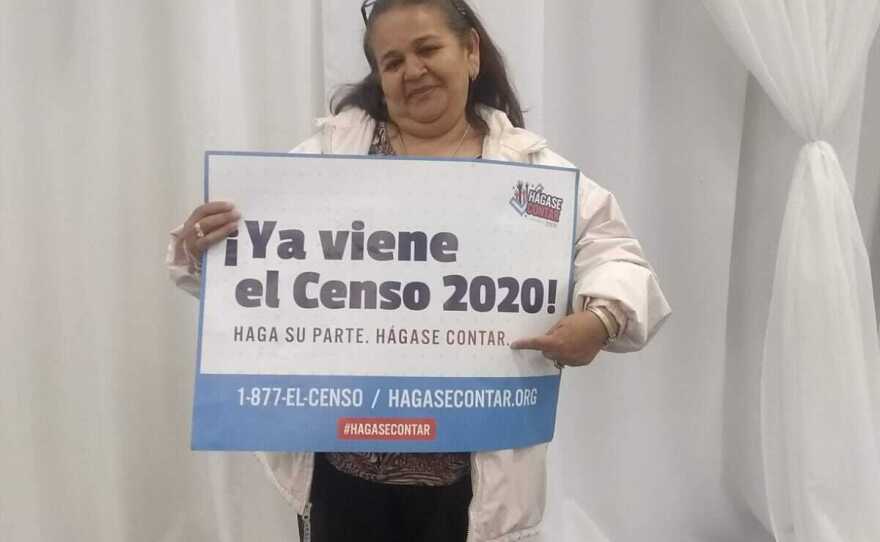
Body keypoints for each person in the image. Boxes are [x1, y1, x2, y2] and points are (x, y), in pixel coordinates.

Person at [166, 1, 671, 540]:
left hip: (469, 479)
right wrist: (205, 250)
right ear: (379, 77)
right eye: (392, 61)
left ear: (471, 52)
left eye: (428, 49)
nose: (413, 70)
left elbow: (616, 257)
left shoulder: (532, 177)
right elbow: (265, 271)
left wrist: (601, 320)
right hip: (343, 470)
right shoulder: (327, 161)